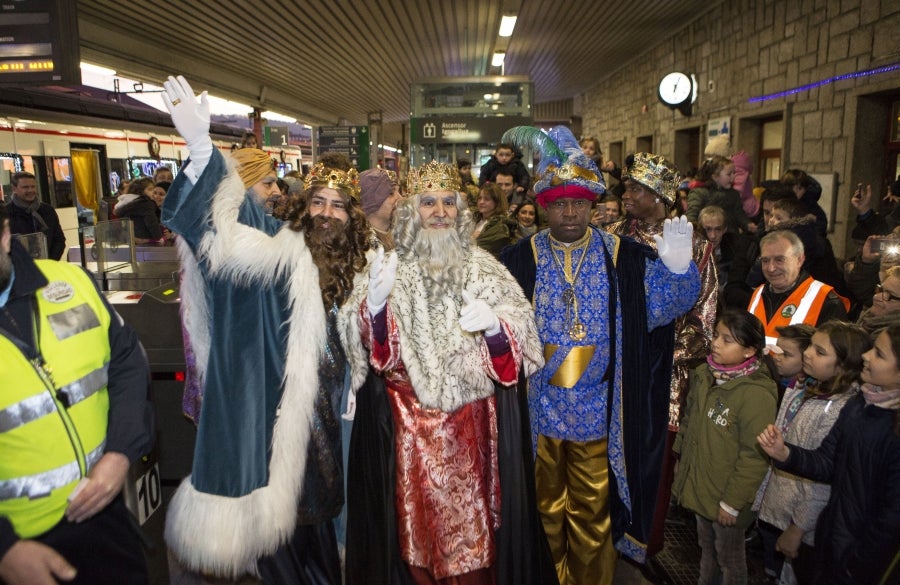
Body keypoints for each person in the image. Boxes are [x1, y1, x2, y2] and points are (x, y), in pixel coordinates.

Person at [159, 75, 370, 582]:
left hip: (355, 421)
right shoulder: (280, 248)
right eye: (317, 201)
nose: (326, 213)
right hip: (291, 422)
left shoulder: (374, 259)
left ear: (353, 213)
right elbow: (219, 234)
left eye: (338, 205)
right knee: (295, 545)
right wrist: (202, 150)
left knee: (342, 539)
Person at [501, 126, 701, 584]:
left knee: (592, 517)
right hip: (539, 411)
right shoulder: (517, 260)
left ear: (592, 205)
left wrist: (677, 268)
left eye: (579, 204)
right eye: (560, 203)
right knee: (543, 511)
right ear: (545, 206)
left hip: (598, 412)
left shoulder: (624, 258)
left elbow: (667, 308)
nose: (570, 213)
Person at [342, 160, 554, 585]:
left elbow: (523, 347)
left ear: (460, 211)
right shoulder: (386, 267)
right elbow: (370, 352)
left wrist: (496, 329)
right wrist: (377, 308)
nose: (439, 211)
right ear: (411, 211)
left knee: (471, 545)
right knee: (410, 542)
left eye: (447, 202)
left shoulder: (484, 267)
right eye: (428, 203)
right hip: (405, 428)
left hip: (469, 431)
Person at [0, 202, 155, 584]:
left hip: (104, 519)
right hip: (20, 543)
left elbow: (127, 363)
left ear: (4, 235)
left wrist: (121, 453)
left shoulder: (70, 283)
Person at [606, 153, 719, 573]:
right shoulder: (611, 235)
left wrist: (656, 353)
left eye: (635, 189)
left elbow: (704, 321)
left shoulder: (698, 248)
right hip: (613, 369)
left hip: (663, 376)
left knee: (654, 460)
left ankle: (642, 546)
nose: (626, 194)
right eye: (627, 187)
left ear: (660, 196)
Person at [757, 324, 900, 585]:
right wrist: (786, 453)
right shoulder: (862, 405)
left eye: (879, 354)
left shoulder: (875, 418)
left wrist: (855, 565)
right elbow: (827, 463)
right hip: (832, 538)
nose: (867, 356)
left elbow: (890, 520)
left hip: (858, 560)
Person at [672, 308, 778, 585]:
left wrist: (732, 504)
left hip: (727, 500)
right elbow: (689, 421)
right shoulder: (706, 375)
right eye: (716, 335)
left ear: (749, 350)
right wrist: (680, 461)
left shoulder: (756, 395)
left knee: (730, 560)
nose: (716, 343)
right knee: (707, 551)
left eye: (727, 340)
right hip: (702, 487)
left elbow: (754, 457)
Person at [748, 230, 849, 345]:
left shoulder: (827, 301)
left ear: (799, 260)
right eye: (765, 261)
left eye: (779, 260)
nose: (771, 268)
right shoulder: (757, 293)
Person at [5, 171, 66, 259]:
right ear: (14, 189)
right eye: (25, 187)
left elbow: (59, 240)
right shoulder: (6, 213)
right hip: (19, 268)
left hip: (47, 266)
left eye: (33, 187)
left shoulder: (47, 210)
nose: (30, 190)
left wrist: (50, 262)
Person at [685, 155, 750, 234]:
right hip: (706, 236)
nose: (733, 177)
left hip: (730, 237)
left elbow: (739, 214)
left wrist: (747, 224)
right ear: (715, 177)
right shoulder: (699, 193)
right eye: (729, 174)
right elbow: (692, 216)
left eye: (734, 173)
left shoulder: (733, 194)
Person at [766, 323, 815, 397]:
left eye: (785, 354)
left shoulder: (809, 393)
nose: (776, 357)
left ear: (806, 359)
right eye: (776, 350)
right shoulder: (768, 379)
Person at [360, 167, 402, 250]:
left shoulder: (401, 232)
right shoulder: (363, 244)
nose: (400, 198)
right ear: (370, 200)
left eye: (399, 191)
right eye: (391, 193)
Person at [114, 177, 164, 244]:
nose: (153, 193)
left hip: (132, 239)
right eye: (150, 189)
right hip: (146, 239)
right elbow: (151, 222)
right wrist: (159, 238)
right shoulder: (146, 203)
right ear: (140, 191)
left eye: (153, 190)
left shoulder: (131, 204)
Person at [780, 169, 827, 237]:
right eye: (791, 187)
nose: (795, 192)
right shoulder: (778, 201)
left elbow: (820, 228)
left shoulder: (810, 205)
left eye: (799, 188)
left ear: (805, 190)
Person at [856, 265, 900, 334]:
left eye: (889, 295)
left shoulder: (893, 340)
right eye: (880, 289)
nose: (876, 297)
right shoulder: (867, 319)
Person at [472, 182, 511, 258]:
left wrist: (471, 239)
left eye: (487, 199)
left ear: (497, 202)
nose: (481, 202)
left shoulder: (501, 225)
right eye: (479, 198)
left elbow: (482, 248)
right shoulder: (473, 219)